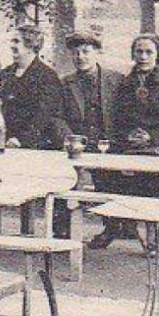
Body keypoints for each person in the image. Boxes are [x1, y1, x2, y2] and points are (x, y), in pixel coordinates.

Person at [88, 32, 159, 251]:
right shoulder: (127, 82)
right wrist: (126, 134)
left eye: (148, 52)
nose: (143, 56)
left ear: (158, 54)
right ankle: (113, 224)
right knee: (104, 170)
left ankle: (155, 230)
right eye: (139, 51)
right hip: (128, 143)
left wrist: (153, 137)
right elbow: (118, 116)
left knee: (151, 175)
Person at [57, 26, 125, 240]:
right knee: (64, 178)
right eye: (76, 52)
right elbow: (57, 116)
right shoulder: (65, 83)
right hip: (78, 145)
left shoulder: (116, 80)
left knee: (111, 181)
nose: (80, 57)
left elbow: (127, 113)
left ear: (97, 52)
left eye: (86, 51)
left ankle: (113, 227)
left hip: (110, 145)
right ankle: (62, 227)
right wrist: (69, 139)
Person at [0, 23, 67, 150]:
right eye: (12, 41)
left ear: (30, 45)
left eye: (16, 41)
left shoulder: (47, 76)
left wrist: (21, 140)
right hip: (4, 142)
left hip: (36, 144)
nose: (11, 45)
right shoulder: (6, 73)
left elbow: (44, 115)